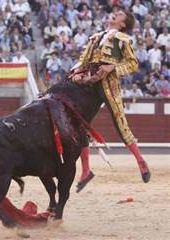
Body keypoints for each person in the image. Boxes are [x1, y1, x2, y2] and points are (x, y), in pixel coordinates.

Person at [70, 10, 151, 192]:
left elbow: (133, 63)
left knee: (121, 124)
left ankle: (141, 161)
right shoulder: (96, 37)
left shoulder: (123, 39)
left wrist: (112, 67)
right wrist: (74, 73)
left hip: (109, 85)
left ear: (123, 23)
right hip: (90, 84)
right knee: (80, 125)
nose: (115, 13)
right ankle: (86, 171)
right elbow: (83, 62)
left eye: (120, 14)